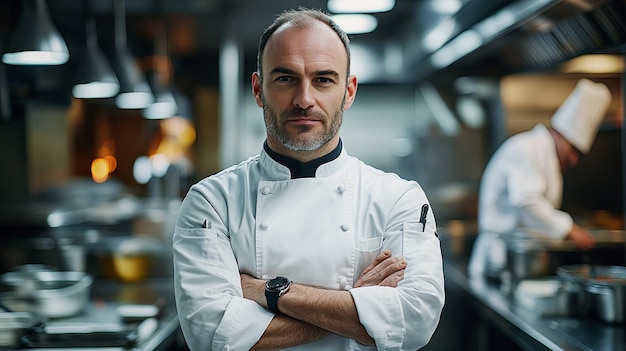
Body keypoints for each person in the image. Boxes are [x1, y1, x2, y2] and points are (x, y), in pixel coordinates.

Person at [172, 8, 444, 351]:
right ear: (258, 89)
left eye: (323, 80)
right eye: (285, 78)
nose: (304, 99)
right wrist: (357, 305)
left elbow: (415, 322)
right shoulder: (212, 201)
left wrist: (270, 291)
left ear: (348, 92)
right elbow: (209, 335)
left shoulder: (398, 198)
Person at [468, 78, 612, 280]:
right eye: (573, 150)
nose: (574, 160)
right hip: (500, 262)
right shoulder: (527, 149)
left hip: (519, 262)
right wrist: (569, 229)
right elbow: (526, 201)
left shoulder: (545, 156)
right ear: (561, 135)